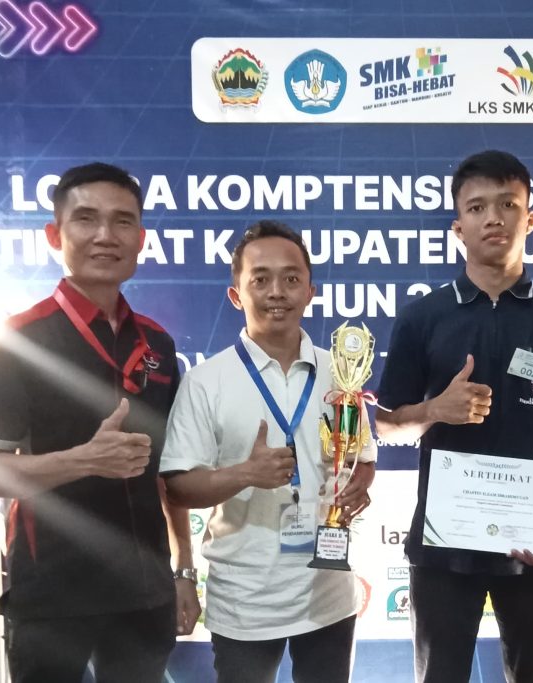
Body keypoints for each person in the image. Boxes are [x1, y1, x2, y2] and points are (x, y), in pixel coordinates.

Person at [0, 162, 200, 683]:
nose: (105, 235)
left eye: (122, 221)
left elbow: (170, 471)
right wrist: (83, 460)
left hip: (144, 591)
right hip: (52, 590)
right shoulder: (14, 341)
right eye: (86, 218)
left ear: (140, 239)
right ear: (55, 234)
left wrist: (184, 568)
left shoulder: (157, 344)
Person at [375, 150, 533, 683]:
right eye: (476, 208)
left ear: (530, 219)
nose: (493, 218)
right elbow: (384, 424)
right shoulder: (423, 317)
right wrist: (435, 410)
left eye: (507, 204)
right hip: (444, 540)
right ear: (458, 227)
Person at [160, 220, 376, 683]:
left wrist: (358, 486)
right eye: (260, 279)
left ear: (310, 291)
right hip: (245, 602)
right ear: (236, 295)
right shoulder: (206, 381)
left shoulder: (341, 375)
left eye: (291, 278)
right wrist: (244, 474)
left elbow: (362, 456)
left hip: (328, 595)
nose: (277, 291)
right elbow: (177, 487)